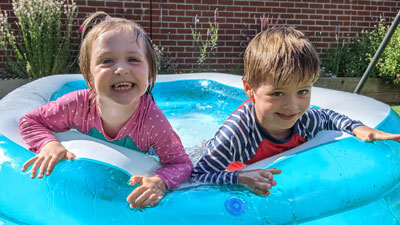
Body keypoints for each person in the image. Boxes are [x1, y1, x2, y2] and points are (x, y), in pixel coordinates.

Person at [191, 27, 400, 196]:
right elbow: (198, 174)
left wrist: (357, 127)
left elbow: (328, 117)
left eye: (302, 91)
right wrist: (240, 178)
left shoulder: (304, 119)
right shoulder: (236, 134)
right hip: (221, 159)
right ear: (249, 89)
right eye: (278, 93)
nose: (293, 107)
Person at [18, 11, 193, 208]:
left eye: (133, 60)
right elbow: (29, 121)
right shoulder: (76, 105)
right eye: (107, 61)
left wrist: (160, 181)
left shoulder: (153, 121)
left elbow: (181, 163)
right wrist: (48, 144)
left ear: (150, 73)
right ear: (89, 77)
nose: (121, 70)